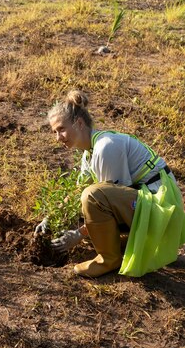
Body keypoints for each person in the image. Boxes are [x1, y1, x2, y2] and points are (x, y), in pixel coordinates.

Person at [35, 90, 185, 278]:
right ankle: (122, 245)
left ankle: (109, 259)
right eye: (55, 132)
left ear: (79, 123)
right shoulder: (88, 153)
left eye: (61, 129)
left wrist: (79, 234)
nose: (58, 138)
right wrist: (52, 216)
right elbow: (76, 192)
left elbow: (106, 199)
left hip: (162, 209)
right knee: (88, 205)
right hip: (146, 204)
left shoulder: (106, 147)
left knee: (93, 196)